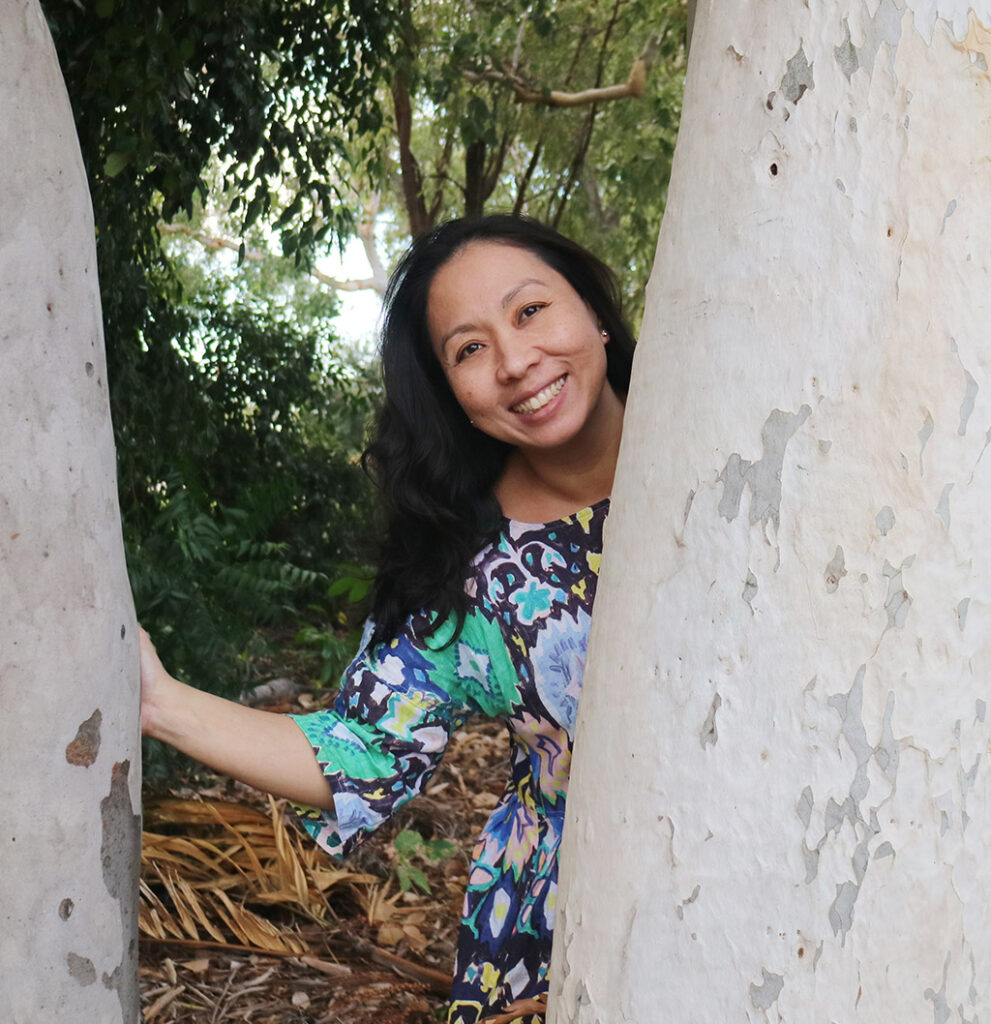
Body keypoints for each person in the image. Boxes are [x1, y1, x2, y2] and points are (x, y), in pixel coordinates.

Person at [139, 214, 635, 1022]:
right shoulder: (467, 566)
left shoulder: (746, 440)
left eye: (530, 311)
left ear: (595, 313)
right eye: (468, 350)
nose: (514, 362)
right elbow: (361, 752)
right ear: (451, 396)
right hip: (569, 926)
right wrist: (160, 704)